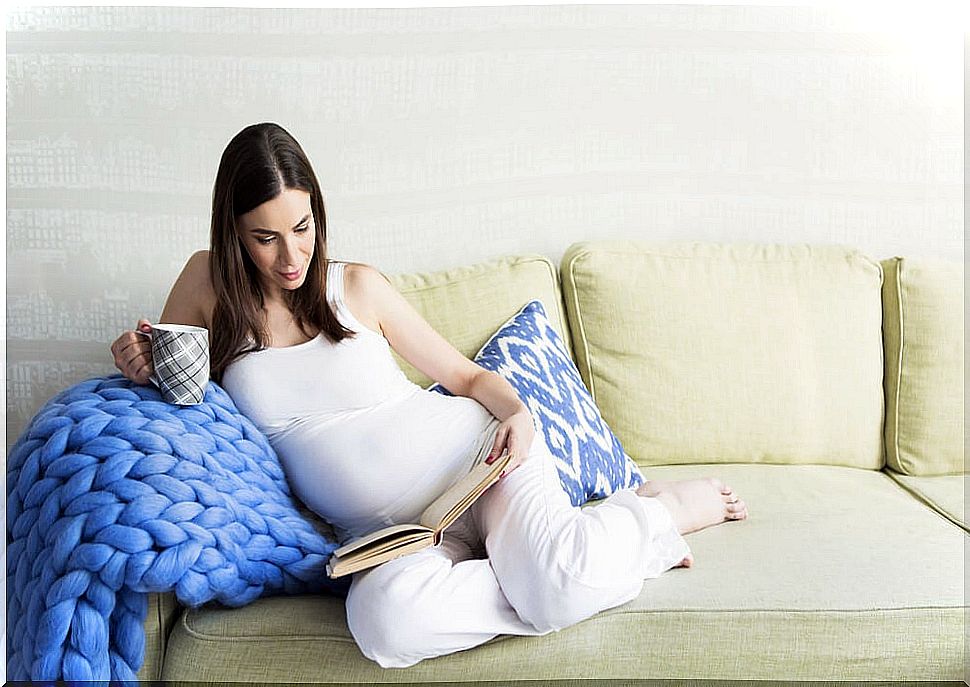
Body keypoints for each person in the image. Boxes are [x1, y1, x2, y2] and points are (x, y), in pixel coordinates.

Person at [110, 122, 748, 669]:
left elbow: (467, 379)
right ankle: (562, 557)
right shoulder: (205, 286)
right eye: (264, 237)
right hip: (398, 535)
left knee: (557, 588)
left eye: (302, 227)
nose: (289, 256)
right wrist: (140, 362)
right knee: (384, 625)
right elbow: (178, 390)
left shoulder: (357, 287)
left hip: (481, 464)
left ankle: (660, 518)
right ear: (232, 232)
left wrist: (520, 418)